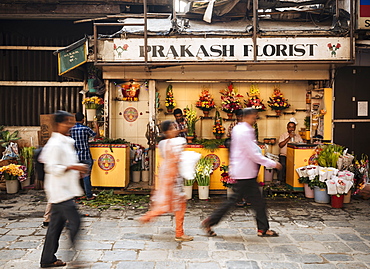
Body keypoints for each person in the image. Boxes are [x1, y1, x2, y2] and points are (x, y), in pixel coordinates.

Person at [201, 108, 282, 237]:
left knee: (254, 201)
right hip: (246, 172)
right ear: (247, 117)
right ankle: (210, 221)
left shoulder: (238, 129)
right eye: (254, 117)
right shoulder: (245, 131)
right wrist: (272, 163)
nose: (254, 119)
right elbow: (252, 153)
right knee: (241, 201)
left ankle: (263, 228)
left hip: (243, 170)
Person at [39, 111, 87, 268]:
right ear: (58, 124)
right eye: (67, 122)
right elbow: (52, 167)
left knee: (55, 226)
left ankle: (47, 259)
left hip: (65, 189)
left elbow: (67, 162)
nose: (70, 125)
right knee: (75, 221)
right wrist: (73, 166)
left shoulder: (66, 141)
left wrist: (76, 170)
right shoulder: (54, 144)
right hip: (60, 191)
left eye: (71, 122)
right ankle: (74, 257)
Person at [139, 120, 193, 242]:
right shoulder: (174, 143)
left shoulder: (163, 143)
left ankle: (148, 217)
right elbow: (175, 159)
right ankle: (179, 233)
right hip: (172, 176)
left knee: (169, 203)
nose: (176, 129)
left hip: (167, 175)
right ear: (167, 131)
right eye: (173, 128)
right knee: (178, 205)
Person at [70, 112, 100, 200]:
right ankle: (89, 195)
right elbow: (97, 136)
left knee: (75, 175)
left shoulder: (71, 129)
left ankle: (75, 195)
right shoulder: (85, 129)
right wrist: (96, 126)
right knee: (86, 175)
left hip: (75, 156)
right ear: (83, 119)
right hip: (85, 155)